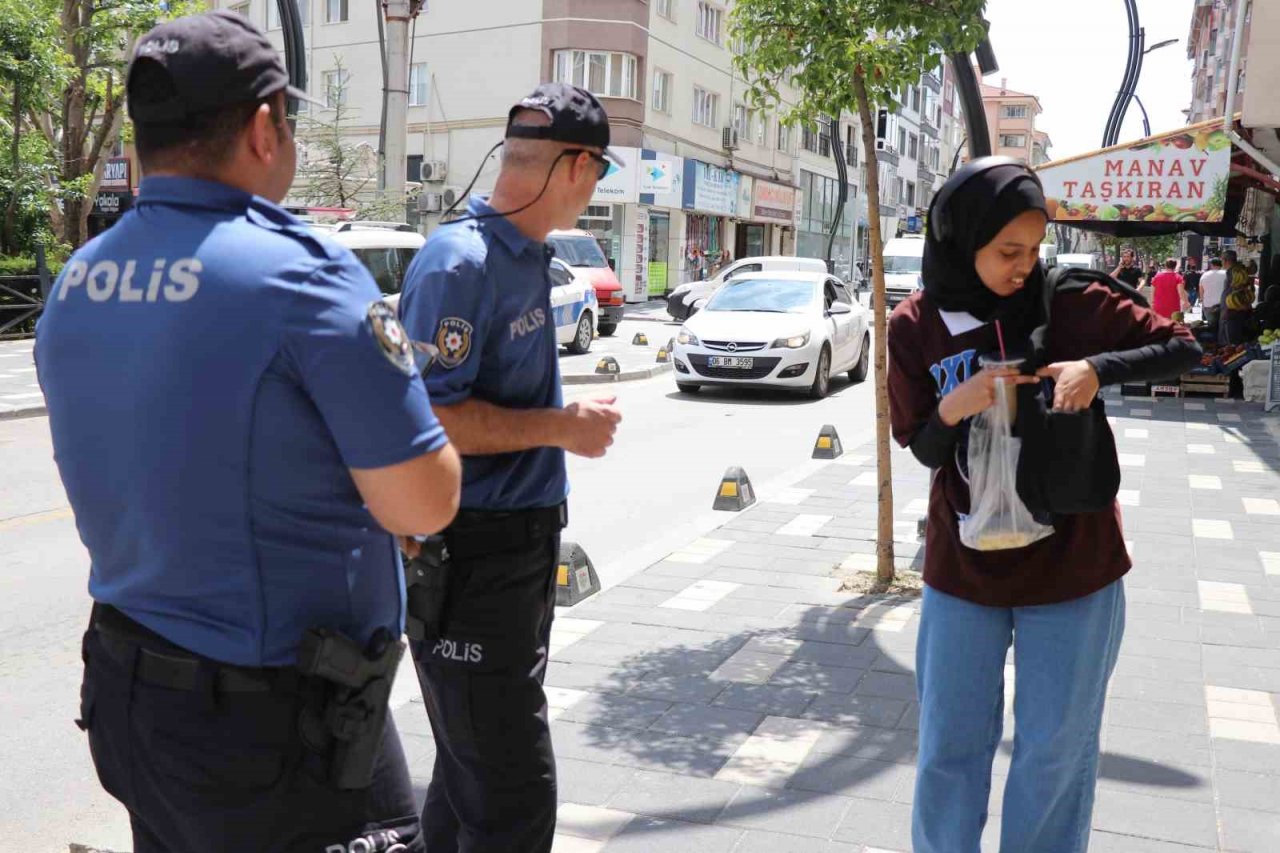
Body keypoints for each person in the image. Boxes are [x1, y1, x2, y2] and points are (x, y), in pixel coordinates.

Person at [34, 11, 463, 852]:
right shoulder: (302, 274)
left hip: (131, 693)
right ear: (265, 127)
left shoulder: (79, 280)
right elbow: (426, 501)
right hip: (275, 725)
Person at [887, 158, 1200, 853]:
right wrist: (955, 406)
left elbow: (1183, 346)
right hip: (964, 571)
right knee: (949, 748)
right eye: (1007, 252)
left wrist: (1097, 369)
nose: (1023, 267)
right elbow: (922, 447)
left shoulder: (1067, 303)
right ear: (960, 238)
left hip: (1074, 567)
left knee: (1055, 752)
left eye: (1033, 249)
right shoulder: (916, 326)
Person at [397, 82, 623, 852]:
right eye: (597, 172)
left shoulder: (527, 254)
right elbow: (428, 418)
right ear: (574, 165)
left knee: (468, 789)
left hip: (520, 551)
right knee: (515, 798)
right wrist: (560, 426)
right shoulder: (458, 264)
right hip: (469, 557)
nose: (596, 189)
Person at [1222, 249, 1257, 344]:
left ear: (1226, 260)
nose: (1222, 263)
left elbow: (1235, 291)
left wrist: (1227, 308)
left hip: (1234, 311)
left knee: (1234, 341)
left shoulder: (1233, 272)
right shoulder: (1237, 271)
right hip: (1237, 310)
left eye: (1223, 260)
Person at [1200, 256, 1227, 336]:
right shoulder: (1226, 274)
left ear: (1211, 265)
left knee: (1212, 327)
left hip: (1208, 305)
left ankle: (1212, 344)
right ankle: (1222, 344)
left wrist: (1202, 301)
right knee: (1222, 327)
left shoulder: (1204, 275)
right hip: (1224, 305)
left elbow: (1201, 290)